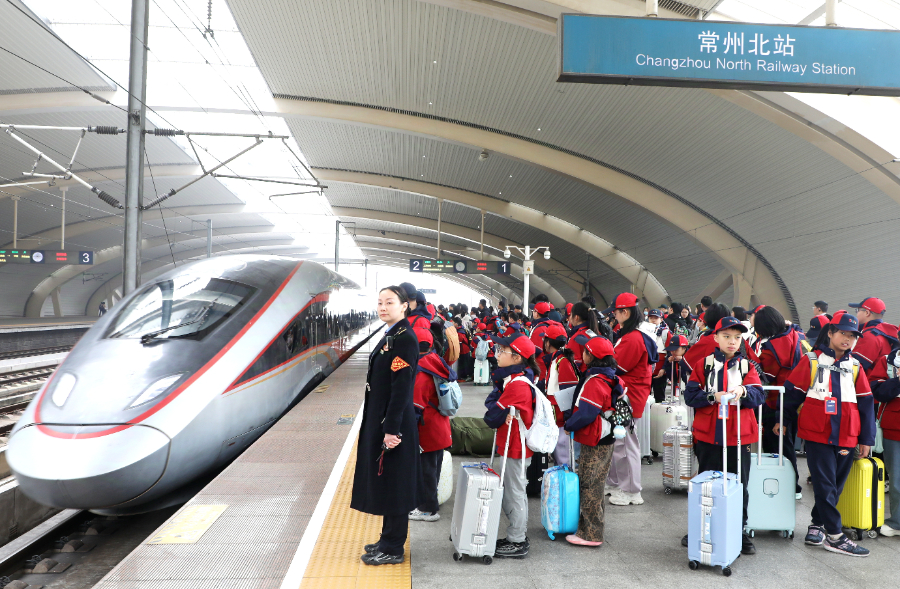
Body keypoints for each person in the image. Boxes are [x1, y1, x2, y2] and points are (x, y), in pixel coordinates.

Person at [778, 313, 876, 557]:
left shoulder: (855, 367)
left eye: (852, 335)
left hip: (847, 435)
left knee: (834, 487)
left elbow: (866, 404)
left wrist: (867, 439)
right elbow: (792, 394)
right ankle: (835, 536)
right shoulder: (811, 361)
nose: (847, 339)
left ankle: (817, 524)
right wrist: (782, 421)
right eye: (843, 333)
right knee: (824, 485)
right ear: (830, 333)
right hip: (817, 434)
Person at [352, 286, 423, 565]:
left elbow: (401, 388)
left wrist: (392, 430)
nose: (383, 307)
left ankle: (393, 548)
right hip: (382, 420)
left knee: (395, 484)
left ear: (404, 306)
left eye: (389, 302)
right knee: (388, 481)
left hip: (393, 423)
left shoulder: (404, 339)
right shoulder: (392, 334)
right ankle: (387, 538)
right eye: (380, 302)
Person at [684, 316, 765, 556]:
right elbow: (690, 396)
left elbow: (759, 396)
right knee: (706, 484)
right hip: (709, 435)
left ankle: (738, 530)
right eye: (727, 336)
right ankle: (702, 528)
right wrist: (713, 397)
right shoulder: (703, 365)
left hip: (739, 436)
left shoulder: (747, 367)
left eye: (737, 337)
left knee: (740, 485)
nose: (732, 341)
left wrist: (744, 390)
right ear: (716, 338)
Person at [483, 333, 540, 558]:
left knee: (515, 492)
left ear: (517, 358)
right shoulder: (513, 379)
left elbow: (491, 416)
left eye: (502, 351)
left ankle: (517, 539)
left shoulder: (517, 385)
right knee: (513, 490)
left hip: (515, 447)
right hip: (512, 445)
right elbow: (493, 407)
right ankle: (516, 536)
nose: (497, 354)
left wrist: (498, 411)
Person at [563, 336, 621, 547]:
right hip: (606, 437)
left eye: (585, 351)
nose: (582, 355)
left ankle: (591, 534)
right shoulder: (610, 376)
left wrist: (569, 424)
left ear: (592, 356)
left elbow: (587, 413)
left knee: (589, 485)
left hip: (595, 439)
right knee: (595, 484)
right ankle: (591, 529)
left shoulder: (595, 381)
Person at [603, 292, 658, 506]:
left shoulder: (633, 338)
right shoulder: (634, 335)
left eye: (616, 312)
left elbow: (617, 366)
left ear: (625, 312)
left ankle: (631, 490)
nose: (614, 316)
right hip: (627, 395)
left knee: (625, 443)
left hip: (628, 397)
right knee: (618, 442)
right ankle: (617, 483)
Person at [754, 305, 804, 498]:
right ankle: (793, 486)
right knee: (788, 444)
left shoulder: (772, 347)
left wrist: (752, 361)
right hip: (795, 398)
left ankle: (786, 487)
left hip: (775, 402)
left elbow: (766, 375)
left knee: (777, 447)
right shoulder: (795, 335)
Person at [410, 327, 454, 522]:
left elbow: (416, 405)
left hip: (427, 429)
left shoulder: (421, 371)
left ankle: (428, 510)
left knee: (426, 471)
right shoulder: (435, 361)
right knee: (432, 469)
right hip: (439, 426)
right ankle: (428, 503)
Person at [869, 348, 900, 538]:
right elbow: (877, 391)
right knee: (896, 479)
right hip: (894, 427)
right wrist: (897, 380)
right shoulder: (887, 361)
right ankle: (897, 521)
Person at [849, 297, 899, 379]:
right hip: (883, 382)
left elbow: (854, 366)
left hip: (871, 384)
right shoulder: (884, 331)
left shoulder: (870, 335)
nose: (856, 314)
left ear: (867, 313)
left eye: (858, 310)